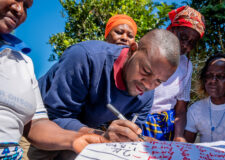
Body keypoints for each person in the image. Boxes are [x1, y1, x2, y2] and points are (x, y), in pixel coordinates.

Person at [26, 29, 180, 159]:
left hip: (85, 133)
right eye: (145, 71)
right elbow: (55, 116)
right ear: (133, 49)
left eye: (159, 81)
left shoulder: (147, 94)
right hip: (40, 125)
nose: (147, 85)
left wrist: (131, 138)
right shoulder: (85, 57)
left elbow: (128, 138)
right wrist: (102, 136)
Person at [0, 0, 109, 159]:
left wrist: (75, 139)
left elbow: (36, 123)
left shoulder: (23, 62)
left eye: (26, 6)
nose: (19, 10)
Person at [22, 14, 139, 160]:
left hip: (76, 131)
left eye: (130, 35)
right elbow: (56, 113)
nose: (124, 38)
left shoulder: (135, 80)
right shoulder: (86, 57)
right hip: (37, 122)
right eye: (119, 32)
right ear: (106, 36)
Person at [142, 6, 205, 142]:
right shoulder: (147, 53)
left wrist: (178, 136)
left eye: (192, 43)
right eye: (183, 37)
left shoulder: (187, 66)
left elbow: (181, 110)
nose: (185, 46)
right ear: (172, 30)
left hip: (167, 128)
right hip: (139, 123)